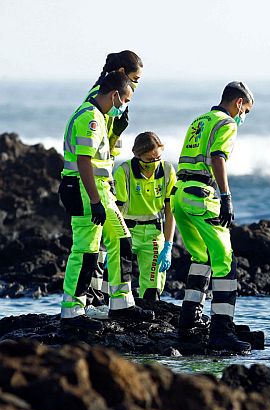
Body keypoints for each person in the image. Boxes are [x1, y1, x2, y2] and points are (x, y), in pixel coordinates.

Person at [58, 71, 153, 330]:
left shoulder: (101, 117)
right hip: (84, 189)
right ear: (114, 96)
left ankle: (121, 304)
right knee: (86, 250)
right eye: (126, 100)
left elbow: (102, 157)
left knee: (122, 239)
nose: (125, 106)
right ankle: (72, 312)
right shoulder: (89, 117)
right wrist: (94, 200)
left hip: (101, 190)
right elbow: (84, 161)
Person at [172, 81, 254, 352]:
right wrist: (226, 196)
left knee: (202, 257)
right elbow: (218, 157)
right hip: (201, 197)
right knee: (225, 262)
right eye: (246, 111)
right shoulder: (226, 123)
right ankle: (222, 330)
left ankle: (189, 321)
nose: (243, 117)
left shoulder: (199, 120)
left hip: (180, 195)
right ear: (238, 103)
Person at [85, 51, 144, 306]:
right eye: (135, 79)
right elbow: (93, 150)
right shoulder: (100, 101)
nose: (137, 85)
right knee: (101, 243)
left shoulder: (113, 101)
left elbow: (107, 147)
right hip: (96, 183)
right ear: (121, 73)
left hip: (103, 179)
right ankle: (95, 298)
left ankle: (99, 297)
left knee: (104, 242)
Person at [112, 132, 176, 301]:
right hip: (126, 231)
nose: (154, 163)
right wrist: (110, 241)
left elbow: (170, 210)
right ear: (137, 155)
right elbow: (116, 209)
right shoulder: (124, 171)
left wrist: (168, 245)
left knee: (152, 290)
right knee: (117, 280)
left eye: (158, 158)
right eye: (149, 159)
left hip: (154, 234)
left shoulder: (167, 170)